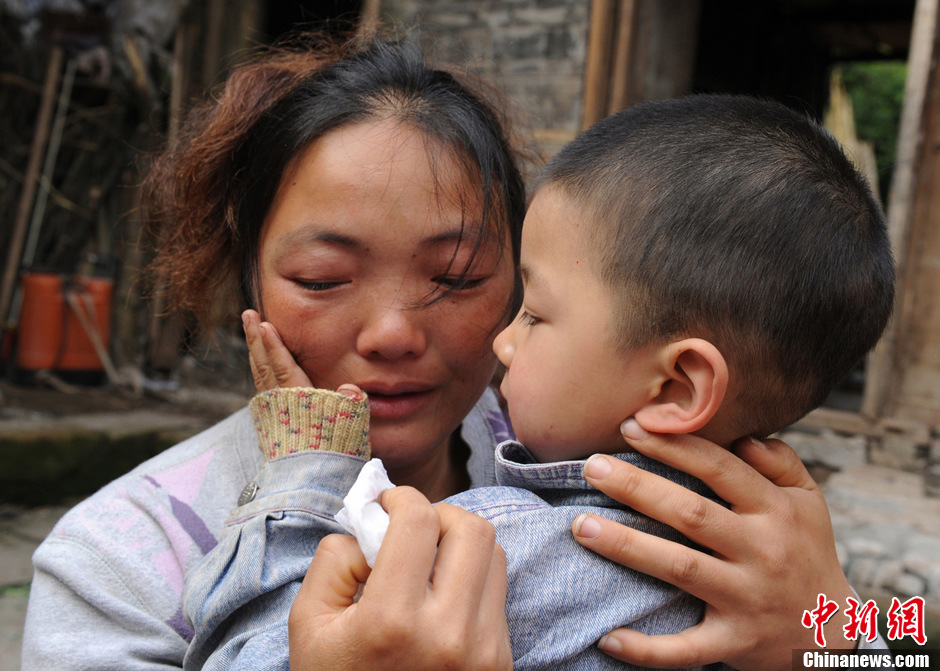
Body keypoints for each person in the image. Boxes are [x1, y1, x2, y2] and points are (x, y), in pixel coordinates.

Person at [16, 32, 875, 671]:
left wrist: (834, 631)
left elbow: (898, 644)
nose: (392, 333)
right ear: (249, 276)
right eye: (323, 277)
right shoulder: (119, 562)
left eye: (459, 277)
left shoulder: (636, 472)